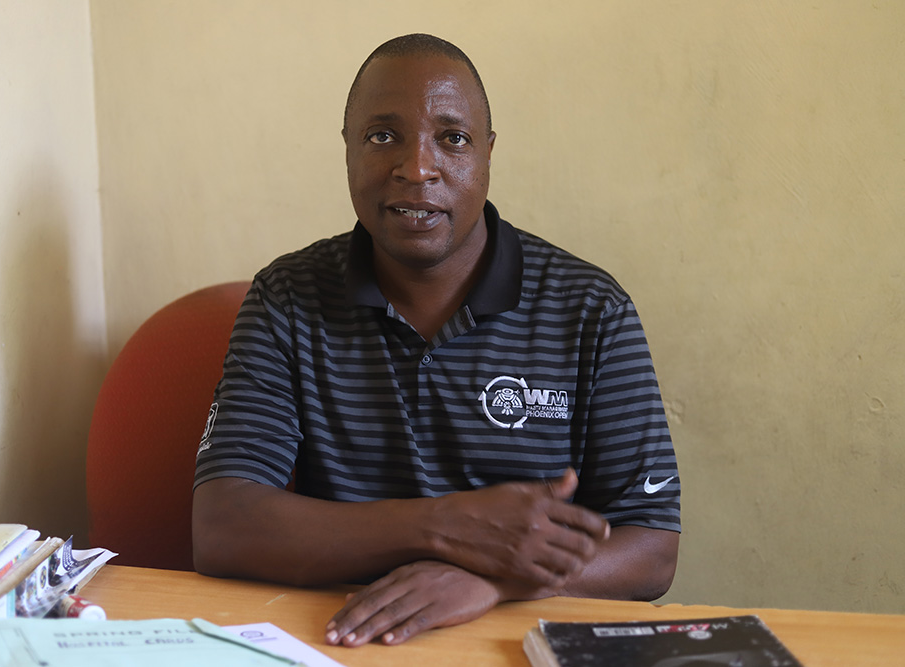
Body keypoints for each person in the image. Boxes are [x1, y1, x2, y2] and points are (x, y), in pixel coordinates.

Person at [192, 33, 680, 648]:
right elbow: (223, 525)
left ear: (488, 153)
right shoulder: (287, 298)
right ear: (347, 148)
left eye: (452, 138)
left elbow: (653, 548)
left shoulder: (590, 311)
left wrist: (495, 580)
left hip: (518, 643)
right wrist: (443, 527)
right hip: (344, 638)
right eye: (382, 136)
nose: (416, 168)